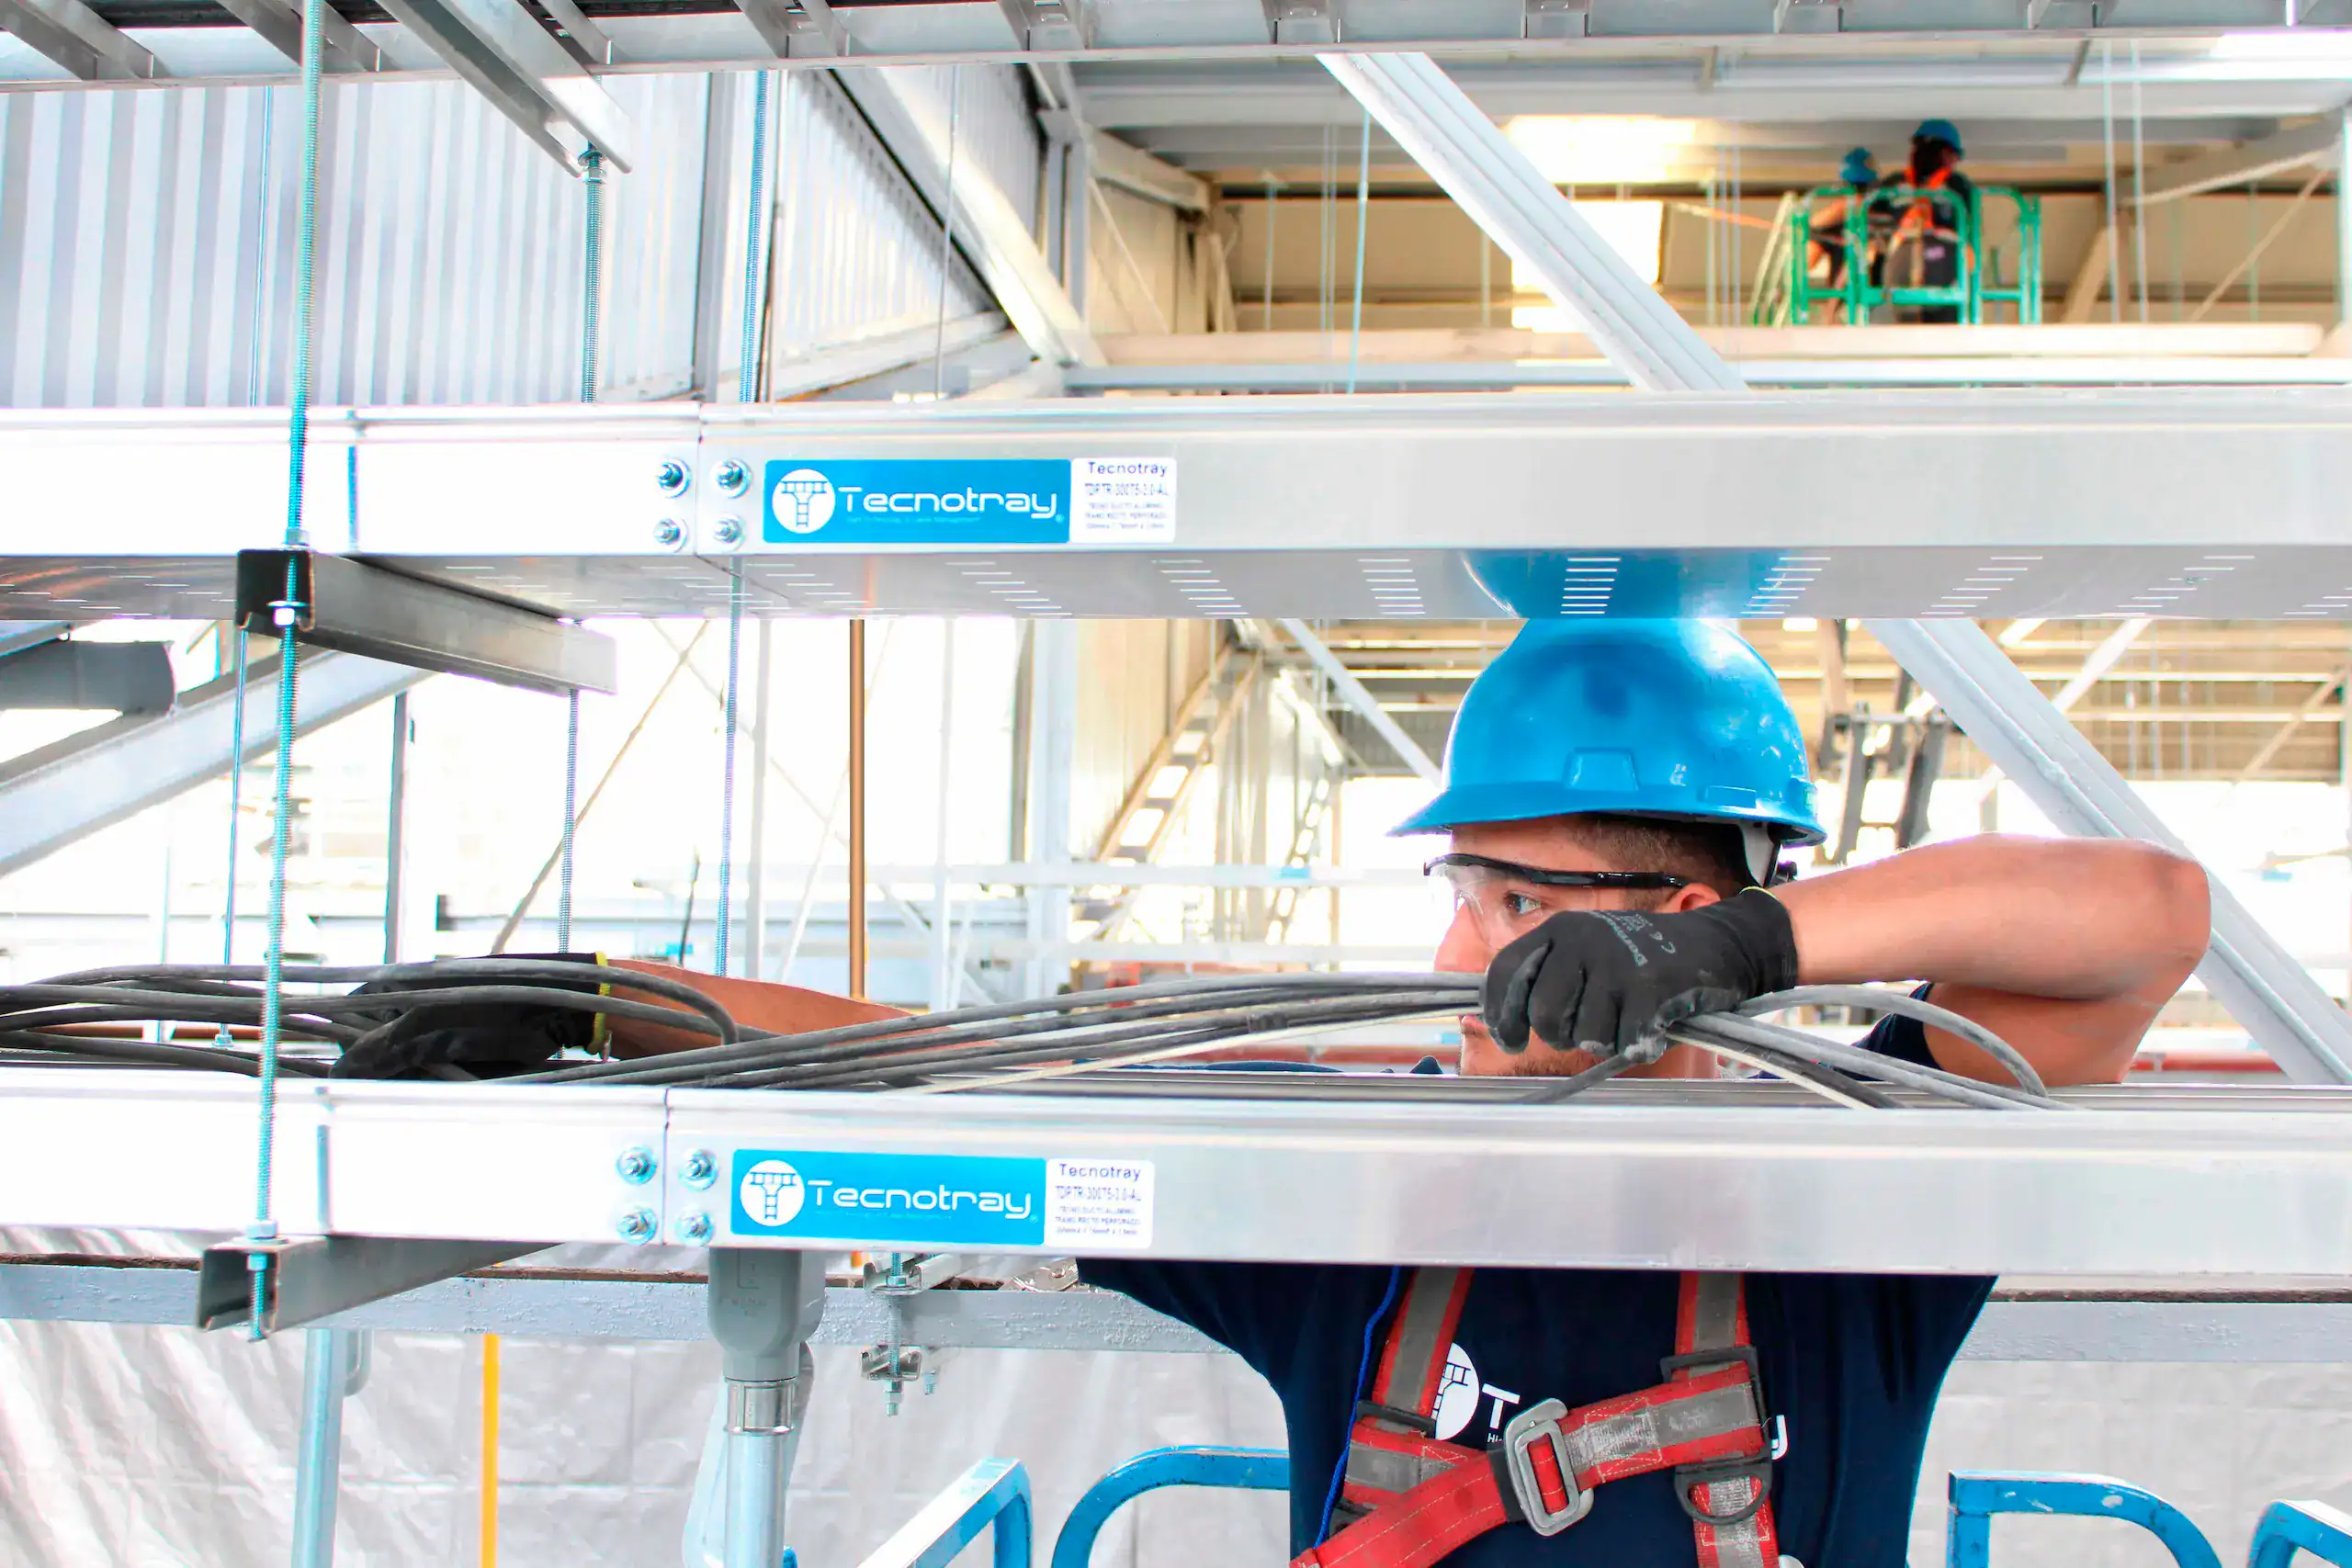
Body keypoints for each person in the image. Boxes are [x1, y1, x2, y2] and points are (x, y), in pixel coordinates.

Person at [1080, 619, 2210, 1567]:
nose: (1444, 961)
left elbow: (2150, 919)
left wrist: (1749, 944)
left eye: (1509, 905)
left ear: (1674, 925)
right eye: (1457, 891)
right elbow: (934, 1082)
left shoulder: (1856, 1204)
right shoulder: (1354, 1193)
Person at [1882, 118, 1977, 323]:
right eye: (1953, 156)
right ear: (1945, 153)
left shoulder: (1893, 185)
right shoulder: (1958, 185)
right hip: (1937, 267)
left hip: (1910, 265)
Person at [1805, 147, 1883, 310]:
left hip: (1872, 303)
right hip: (1854, 306)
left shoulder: (1884, 220)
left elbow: (1806, 262)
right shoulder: (1833, 222)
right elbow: (1806, 261)